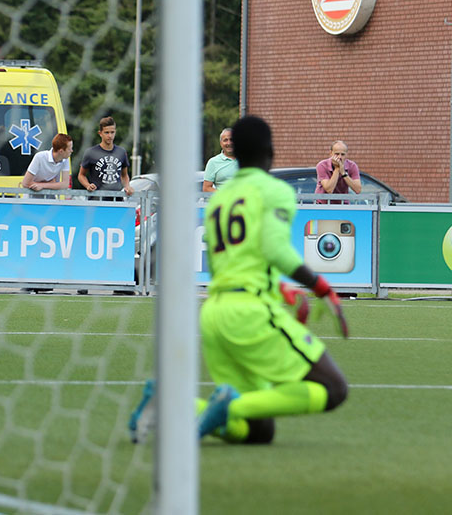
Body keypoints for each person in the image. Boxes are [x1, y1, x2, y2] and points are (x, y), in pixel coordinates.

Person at [129, 115, 349, 445]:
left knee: (258, 430)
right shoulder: (274, 190)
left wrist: (281, 287)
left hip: (215, 314)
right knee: (333, 389)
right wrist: (321, 287)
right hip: (249, 313)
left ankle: (172, 405)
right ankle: (212, 405)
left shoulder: (220, 200)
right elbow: (275, 248)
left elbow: (235, 262)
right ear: (269, 150)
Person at [77, 116, 133, 199]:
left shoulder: (121, 152)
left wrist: (127, 186)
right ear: (100, 133)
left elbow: (124, 175)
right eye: (106, 132)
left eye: (112, 132)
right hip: (97, 200)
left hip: (116, 199)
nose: (110, 136)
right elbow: (81, 175)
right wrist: (88, 185)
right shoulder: (91, 152)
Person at [202, 127, 237, 192]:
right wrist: (224, 195)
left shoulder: (245, 160)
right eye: (225, 140)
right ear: (221, 143)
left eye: (232, 139)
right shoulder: (213, 162)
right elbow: (206, 188)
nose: (229, 143)